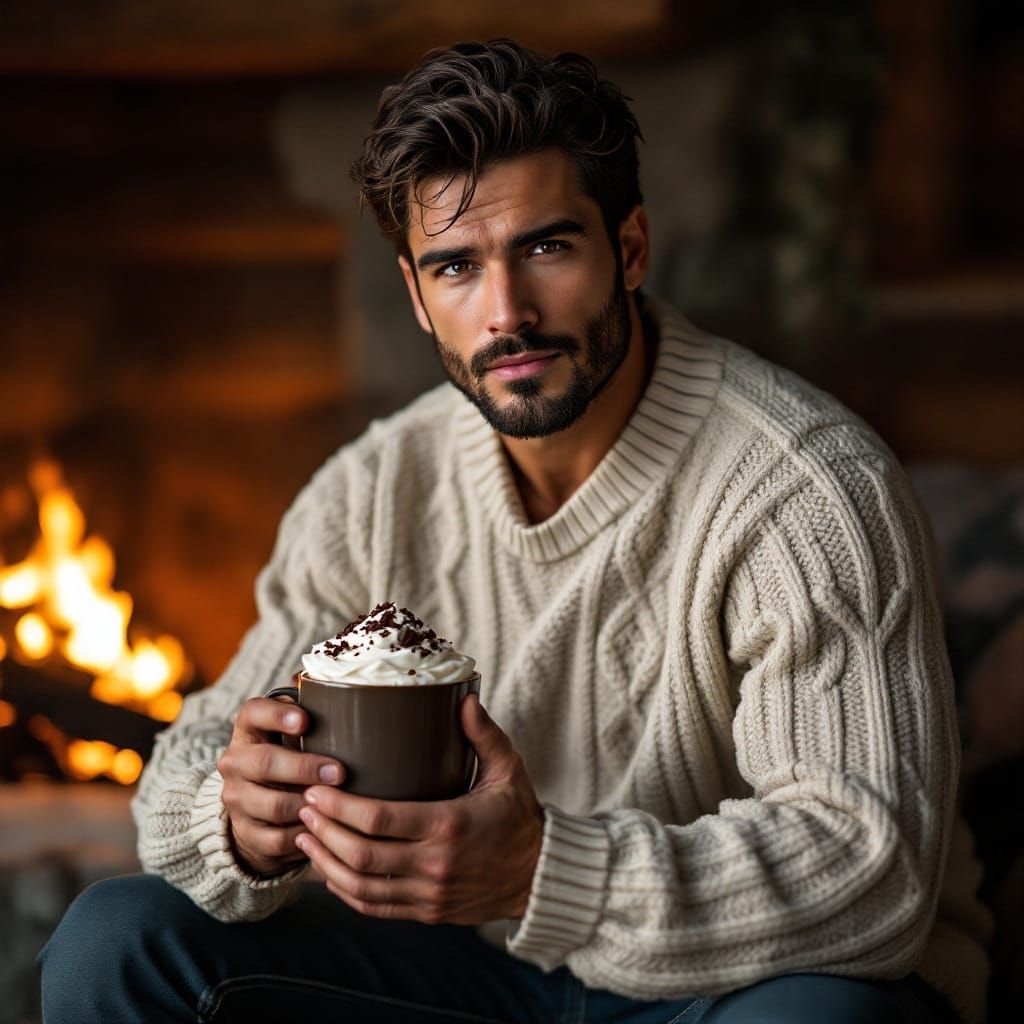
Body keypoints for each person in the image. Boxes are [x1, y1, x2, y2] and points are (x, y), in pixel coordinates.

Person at [40, 38, 991, 1024]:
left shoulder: (805, 492)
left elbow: (865, 869)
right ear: (417, 296)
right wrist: (239, 821)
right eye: (455, 266)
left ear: (628, 247)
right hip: (477, 978)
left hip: (732, 986)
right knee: (116, 943)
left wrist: (539, 870)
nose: (507, 314)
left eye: (546, 247)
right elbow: (176, 788)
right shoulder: (371, 492)